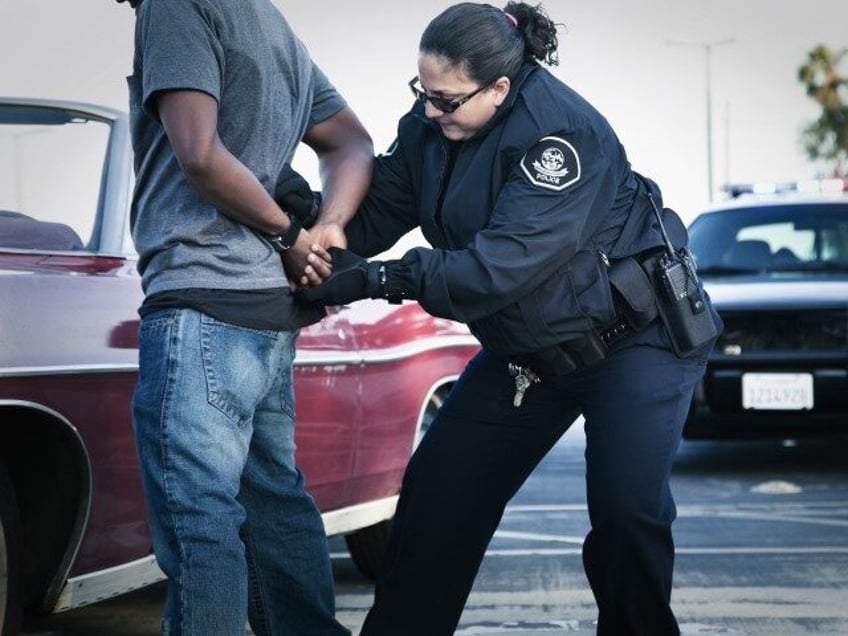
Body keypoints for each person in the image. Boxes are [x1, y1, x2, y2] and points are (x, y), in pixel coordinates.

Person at [298, 2, 721, 635]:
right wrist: (308, 225)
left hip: (636, 341)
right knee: (438, 496)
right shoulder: (432, 125)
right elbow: (380, 208)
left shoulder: (563, 136)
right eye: (423, 92)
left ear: (500, 86)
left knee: (626, 516)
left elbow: (500, 268)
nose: (429, 110)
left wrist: (383, 278)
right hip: (531, 351)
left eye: (445, 100)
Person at [117, 0, 373, 634]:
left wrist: (295, 234)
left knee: (200, 523)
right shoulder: (269, 21)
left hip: (200, 300)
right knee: (275, 508)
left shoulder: (175, 7)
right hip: (265, 312)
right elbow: (352, 142)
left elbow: (198, 154)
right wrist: (329, 226)